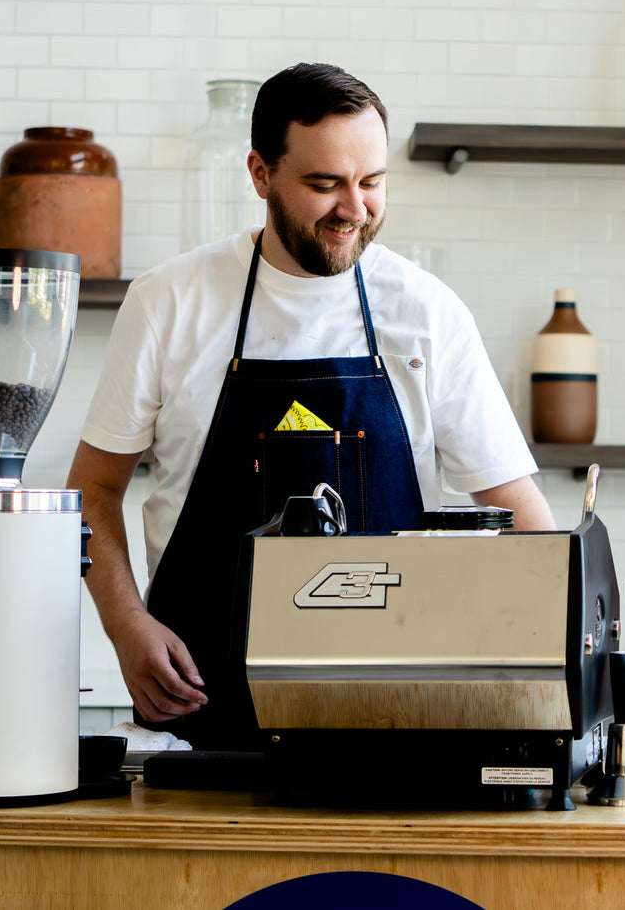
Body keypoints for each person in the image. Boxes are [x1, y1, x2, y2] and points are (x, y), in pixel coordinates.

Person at [69, 63, 555, 750]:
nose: (353, 208)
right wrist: (126, 627)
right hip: (203, 714)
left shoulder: (425, 312)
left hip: (399, 720)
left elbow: (524, 521)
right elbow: (90, 490)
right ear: (260, 174)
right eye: (324, 184)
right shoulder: (169, 302)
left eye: (371, 182)